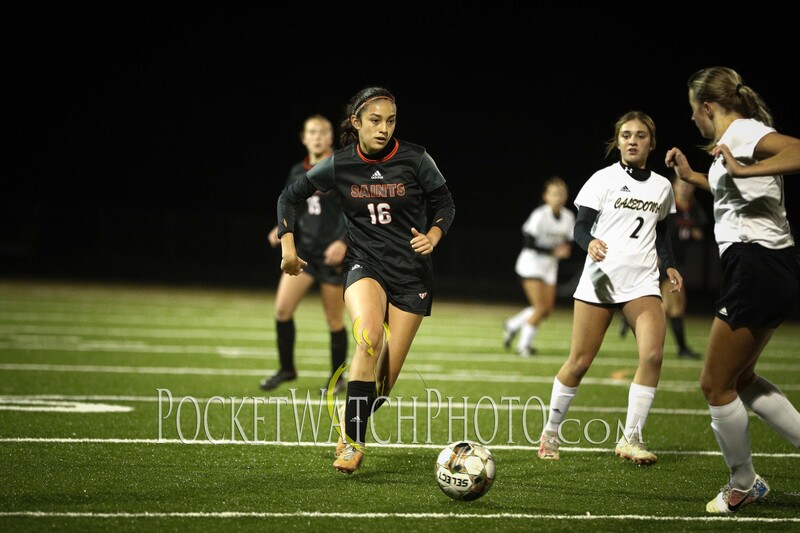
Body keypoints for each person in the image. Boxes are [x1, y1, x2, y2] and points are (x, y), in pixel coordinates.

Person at [276, 87, 456, 475]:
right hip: (364, 264)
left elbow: (445, 204)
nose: (384, 128)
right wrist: (288, 247)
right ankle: (353, 444)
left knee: (383, 385)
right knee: (369, 337)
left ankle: (350, 418)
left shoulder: (416, 158)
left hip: (411, 273)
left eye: (391, 121)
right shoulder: (340, 163)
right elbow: (289, 197)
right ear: (356, 122)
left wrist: (434, 235)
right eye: (375, 120)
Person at [665, 66, 800, 514]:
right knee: (740, 379)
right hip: (769, 266)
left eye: (693, 110)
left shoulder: (744, 132)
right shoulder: (738, 138)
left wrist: (744, 166)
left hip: (756, 265)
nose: (692, 119)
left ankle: (743, 483)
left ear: (707, 107)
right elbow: (733, 191)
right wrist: (693, 176)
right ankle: (745, 480)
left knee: (714, 384)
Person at [537, 110, 683, 466]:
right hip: (601, 279)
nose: (633, 141)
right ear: (617, 142)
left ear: (651, 142)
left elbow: (661, 232)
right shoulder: (602, 179)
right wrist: (589, 242)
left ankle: (631, 438)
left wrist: (669, 265)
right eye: (626, 135)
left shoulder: (662, 187)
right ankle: (550, 433)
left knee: (653, 356)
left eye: (640, 135)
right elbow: (580, 227)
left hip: (643, 282)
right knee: (579, 362)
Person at [259, 114, 349, 394]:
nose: (317, 137)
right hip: (306, 252)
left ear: (331, 137)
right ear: (303, 138)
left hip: (333, 255)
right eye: (312, 132)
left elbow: (357, 208)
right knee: (282, 310)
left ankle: (337, 379)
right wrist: (280, 227)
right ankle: (287, 369)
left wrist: (343, 242)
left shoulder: (341, 167)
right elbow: (292, 204)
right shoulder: (299, 170)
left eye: (323, 132)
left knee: (334, 320)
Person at [619, 175, 707, 360]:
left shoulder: (693, 208)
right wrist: (657, 253)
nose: (684, 189)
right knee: (675, 305)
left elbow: (700, 228)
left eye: (688, 186)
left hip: (677, 261)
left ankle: (629, 318)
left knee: (666, 305)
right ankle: (679, 348)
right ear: (674, 186)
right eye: (681, 185)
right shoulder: (666, 206)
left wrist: (694, 233)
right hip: (664, 261)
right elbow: (653, 229)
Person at [503, 177, 575, 356]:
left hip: (549, 267)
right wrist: (553, 250)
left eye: (561, 194)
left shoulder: (568, 216)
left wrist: (566, 249)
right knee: (540, 308)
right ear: (546, 196)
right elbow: (528, 243)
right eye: (554, 194)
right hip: (531, 264)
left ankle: (512, 325)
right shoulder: (539, 215)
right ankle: (523, 346)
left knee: (547, 310)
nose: (558, 198)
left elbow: (568, 241)